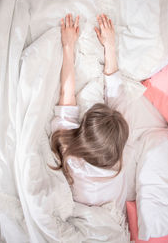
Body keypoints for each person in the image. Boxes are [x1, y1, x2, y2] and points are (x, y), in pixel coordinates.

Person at [50, 13, 130, 210]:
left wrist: (68, 46)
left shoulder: (70, 152)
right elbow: (115, 90)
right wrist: (109, 46)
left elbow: (66, 92)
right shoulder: (116, 154)